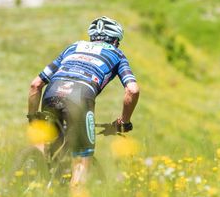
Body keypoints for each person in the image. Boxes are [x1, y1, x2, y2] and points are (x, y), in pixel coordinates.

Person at [27, 16, 140, 187]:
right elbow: (132, 90)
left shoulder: (73, 47)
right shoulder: (117, 54)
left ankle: (32, 173)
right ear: (116, 40)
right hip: (81, 95)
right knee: (80, 164)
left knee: (45, 146)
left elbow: (36, 85)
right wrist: (124, 122)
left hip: (52, 91)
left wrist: (33, 118)